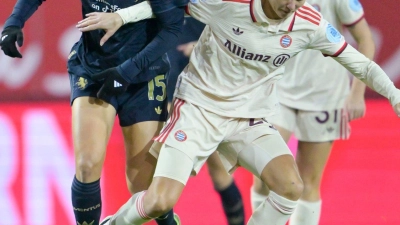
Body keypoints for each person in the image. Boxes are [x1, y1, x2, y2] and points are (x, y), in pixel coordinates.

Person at [77, 0, 400, 224]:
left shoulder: (309, 24)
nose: (292, 6)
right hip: (198, 110)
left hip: (249, 119)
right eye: (287, 0)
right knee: (161, 202)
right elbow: (166, 4)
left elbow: (360, 64)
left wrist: (394, 95)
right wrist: (121, 17)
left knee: (291, 187)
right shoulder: (229, 6)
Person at [0, 0, 188, 225]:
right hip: (93, 69)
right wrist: (14, 21)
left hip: (144, 74)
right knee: (87, 166)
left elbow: (172, 28)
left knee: (145, 188)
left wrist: (127, 72)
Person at [250, 0, 376, 224]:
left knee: (309, 181)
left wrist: (357, 92)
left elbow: (366, 39)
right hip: (279, 90)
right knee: (263, 173)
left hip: (325, 96)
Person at [167, 18, 245, 225]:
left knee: (219, 168)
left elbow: (239, 32)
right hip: (167, 80)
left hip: (204, 85)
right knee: (164, 172)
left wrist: (202, 46)